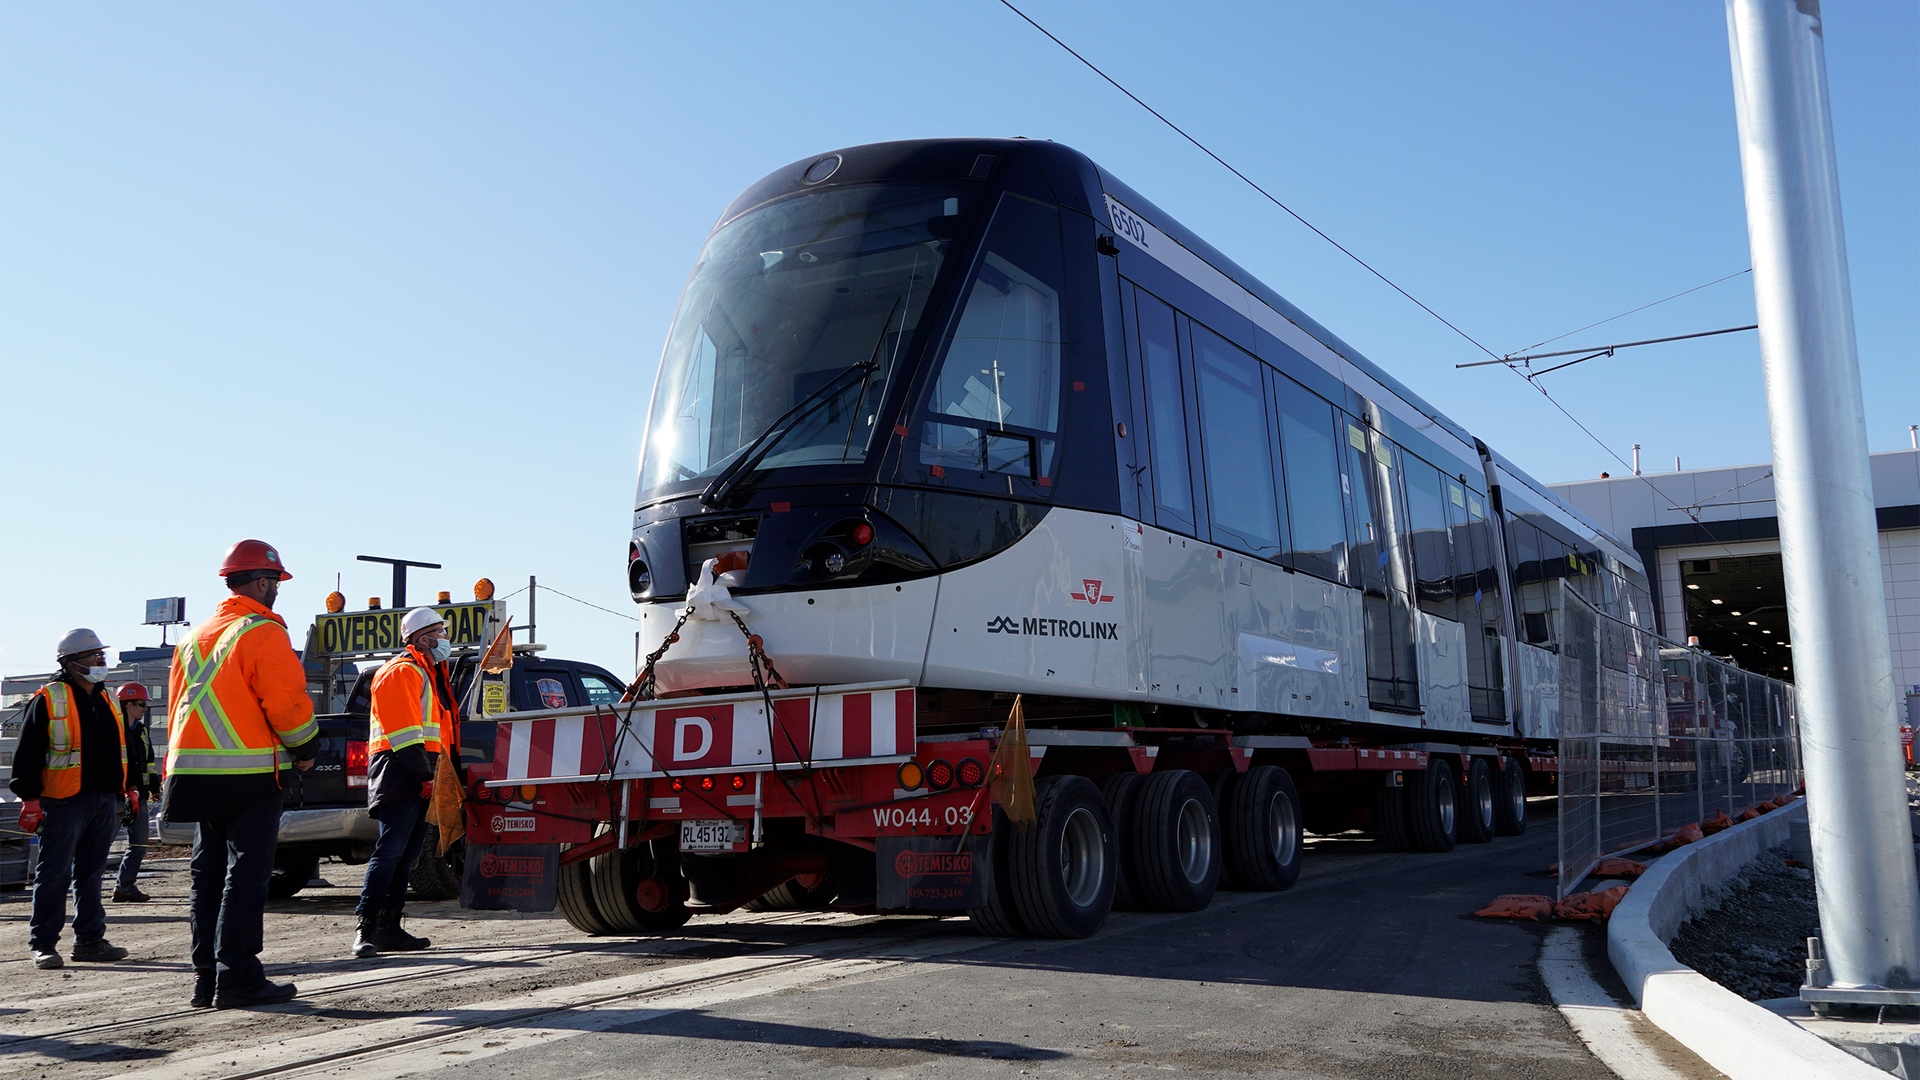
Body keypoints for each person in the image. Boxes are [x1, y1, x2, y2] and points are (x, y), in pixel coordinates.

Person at [163, 540, 319, 1009]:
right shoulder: (262, 631)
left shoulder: (194, 637)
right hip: (250, 775)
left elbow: (176, 707)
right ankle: (238, 978)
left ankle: (205, 979)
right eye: (275, 583)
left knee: (206, 876)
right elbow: (288, 704)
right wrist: (306, 749)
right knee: (246, 876)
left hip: (194, 774)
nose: (277, 592)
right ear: (265, 582)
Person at [9, 629, 137, 969]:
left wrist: (131, 786)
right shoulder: (50, 698)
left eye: (101, 654)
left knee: (91, 873)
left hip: (102, 799)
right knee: (54, 873)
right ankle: (44, 944)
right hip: (63, 800)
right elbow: (28, 753)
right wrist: (29, 798)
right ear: (70, 662)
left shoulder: (106, 699)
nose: (100, 659)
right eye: (93, 654)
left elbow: (122, 747)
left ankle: (90, 940)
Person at [352, 607, 456, 958]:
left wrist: (433, 774)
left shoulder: (425, 672)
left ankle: (390, 928)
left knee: (406, 855)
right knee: (391, 851)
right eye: (440, 633)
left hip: (416, 772)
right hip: (400, 773)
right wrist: (424, 775)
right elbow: (403, 733)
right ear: (421, 638)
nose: (445, 639)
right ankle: (366, 929)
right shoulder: (402, 672)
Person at [113, 682, 162, 903]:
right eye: (142, 704)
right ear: (128, 704)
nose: (145, 709)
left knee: (139, 844)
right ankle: (87, 891)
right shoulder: (113, 729)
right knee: (99, 846)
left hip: (139, 797)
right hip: (116, 797)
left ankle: (125, 887)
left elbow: (149, 761)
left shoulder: (141, 730)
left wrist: (154, 787)